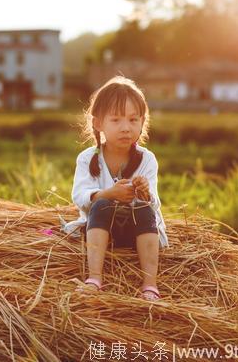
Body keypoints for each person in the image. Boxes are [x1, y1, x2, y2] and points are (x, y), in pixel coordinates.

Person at [62, 75, 170, 301]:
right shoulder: (87, 158)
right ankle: (94, 278)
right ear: (98, 123)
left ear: (142, 122)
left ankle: (150, 285)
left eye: (133, 120)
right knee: (101, 205)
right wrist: (108, 194)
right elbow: (79, 197)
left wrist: (145, 193)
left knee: (143, 209)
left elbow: (155, 205)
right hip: (101, 232)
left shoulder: (147, 159)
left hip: (137, 233)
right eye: (116, 120)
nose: (125, 128)